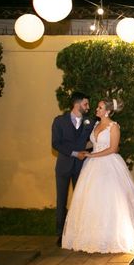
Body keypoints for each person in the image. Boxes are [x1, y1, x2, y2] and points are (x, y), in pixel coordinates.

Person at [61, 98, 134, 253]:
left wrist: (93, 155)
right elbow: (94, 143)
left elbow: (113, 148)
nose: (96, 110)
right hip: (93, 165)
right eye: (97, 107)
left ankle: (110, 237)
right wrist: (79, 150)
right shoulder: (95, 125)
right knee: (91, 199)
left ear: (107, 111)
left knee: (109, 199)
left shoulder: (114, 127)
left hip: (108, 164)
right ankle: (91, 237)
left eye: (99, 108)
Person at [51, 91, 94, 247]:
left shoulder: (89, 122)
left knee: (80, 200)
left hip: (81, 167)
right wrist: (76, 153)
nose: (88, 107)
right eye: (85, 104)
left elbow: (92, 141)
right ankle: (60, 234)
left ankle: (79, 232)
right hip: (63, 166)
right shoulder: (59, 121)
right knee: (61, 200)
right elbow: (56, 143)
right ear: (77, 105)